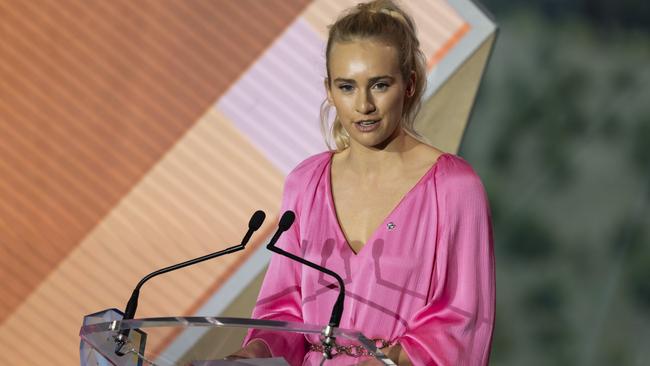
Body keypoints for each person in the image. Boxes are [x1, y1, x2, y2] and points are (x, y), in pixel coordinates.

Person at [231, 0, 495, 364]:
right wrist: (256, 351)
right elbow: (284, 309)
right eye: (347, 87)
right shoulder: (304, 183)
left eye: (380, 85)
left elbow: (463, 322)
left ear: (409, 84)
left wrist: (390, 360)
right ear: (329, 90)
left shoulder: (453, 187)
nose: (364, 105)